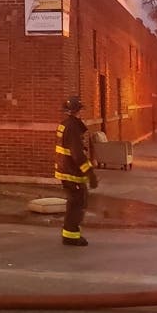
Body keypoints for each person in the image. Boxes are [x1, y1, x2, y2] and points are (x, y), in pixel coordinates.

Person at [54, 95, 98, 247]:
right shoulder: (73, 127)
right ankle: (71, 237)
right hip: (72, 172)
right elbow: (77, 154)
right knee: (77, 204)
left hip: (66, 169)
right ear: (77, 110)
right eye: (80, 110)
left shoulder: (65, 124)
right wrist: (89, 173)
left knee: (74, 203)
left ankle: (70, 234)